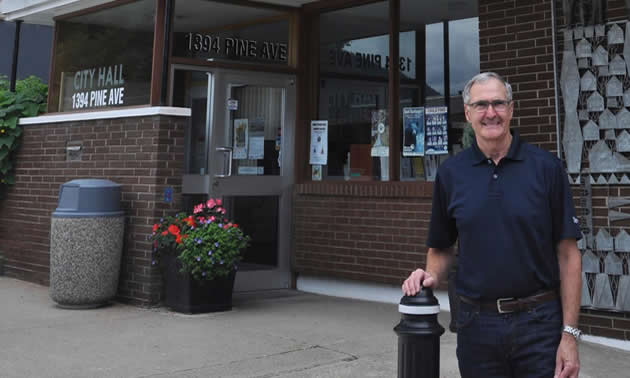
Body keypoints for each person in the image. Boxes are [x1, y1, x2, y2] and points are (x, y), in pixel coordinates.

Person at [402, 72, 582, 378]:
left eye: (498, 103)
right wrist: (430, 274)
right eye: (481, 105)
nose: (491, 113)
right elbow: (442, 246)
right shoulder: (451, 174)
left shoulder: (547, 169)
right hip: (477, 327)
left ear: (511, 109)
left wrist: (570, 335)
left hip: (539, 325)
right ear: (468, 113)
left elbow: (569, 255)